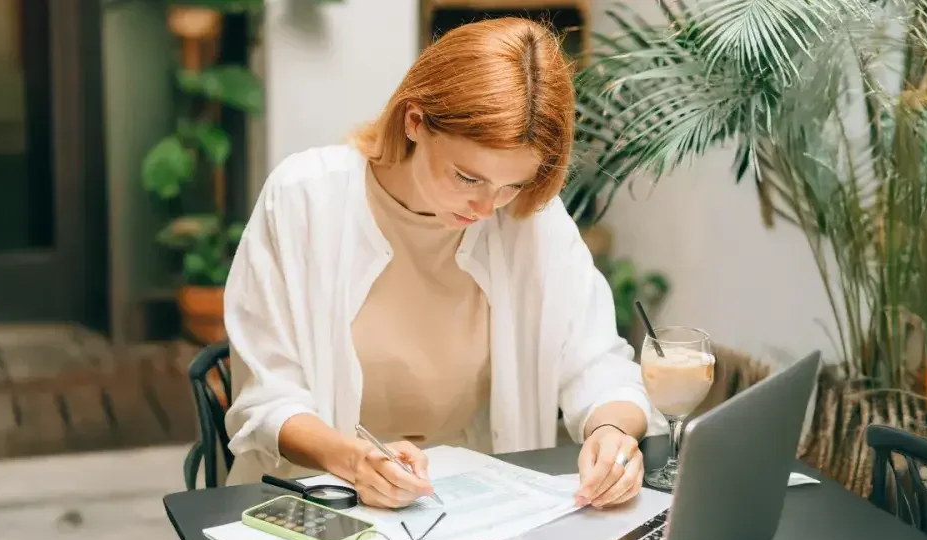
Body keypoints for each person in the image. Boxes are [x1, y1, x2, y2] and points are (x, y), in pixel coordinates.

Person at [222, 16, 666, 510]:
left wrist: (611, 431)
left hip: (466, 501)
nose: (486, 207)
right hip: (316, 494)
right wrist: (354, 461)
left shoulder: (528, 219)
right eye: (467, 177)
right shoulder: (303, 198)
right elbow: (267, 400)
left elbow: (596, 360)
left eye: (512, 184)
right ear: (414, 121)